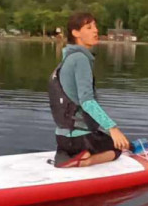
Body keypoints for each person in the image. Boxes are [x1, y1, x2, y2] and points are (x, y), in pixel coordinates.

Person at [49, 12, 131, 168]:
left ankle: (66, 156)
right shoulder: (80, 59)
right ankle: (86, 160)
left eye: (95, 26)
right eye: (89, 27)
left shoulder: (67, 58)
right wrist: (112, 128)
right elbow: (87, 101)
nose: (95, 31)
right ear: (75, 33)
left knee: (101, 138)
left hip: (62, 139)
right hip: (81, 140)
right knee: (118, 148)